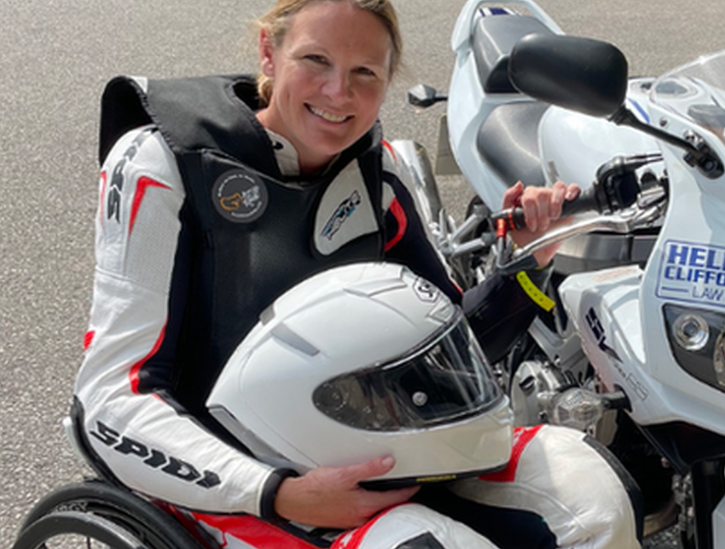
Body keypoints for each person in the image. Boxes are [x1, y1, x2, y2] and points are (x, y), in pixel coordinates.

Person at [72, 0, 642, 547]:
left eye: (365, 72)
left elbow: (456, 350)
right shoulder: (164, 160)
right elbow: (111, 402)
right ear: (269, 54)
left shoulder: (378, 173)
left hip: (388, 450)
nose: (338, 93)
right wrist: (275, 493)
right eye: (315, 60)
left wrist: (526, 261)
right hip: (237, 469)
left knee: (591, 497)